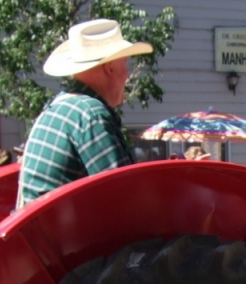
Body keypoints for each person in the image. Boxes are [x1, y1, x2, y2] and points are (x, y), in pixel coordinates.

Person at [17, 19, 153, 208]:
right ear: (110, 67)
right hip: (65, 227)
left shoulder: (59, 107)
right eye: (125, 65)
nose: (127, 75)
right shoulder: (91, 114)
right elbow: (127, 199)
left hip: (42, 224)